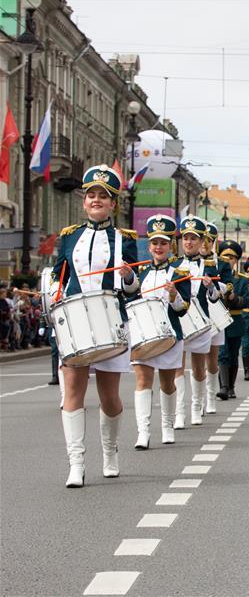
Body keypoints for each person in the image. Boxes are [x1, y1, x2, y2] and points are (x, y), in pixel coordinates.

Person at [53, 164, 141, 487]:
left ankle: (110, 450)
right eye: (91, 195)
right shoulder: (69, 237)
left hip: (109, 320)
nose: (96, 200)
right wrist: (51, 293)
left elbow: (134, 290)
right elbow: (58, 276)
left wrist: (129, 276)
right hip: (77, 323)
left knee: (109, 398)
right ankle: (76, 463)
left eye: (103, 196)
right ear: (84, 200)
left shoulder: (124, 240)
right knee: (73, 391)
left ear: (113, 204)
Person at [131, 215, 192, 448]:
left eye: (164, 243)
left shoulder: (179, 273)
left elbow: (183, 309)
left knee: (167, 383)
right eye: (155, 243)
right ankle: (143, 432)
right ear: (149, 246)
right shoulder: (141, 272)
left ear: (170, 246)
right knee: (142, 380)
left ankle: (167, 426)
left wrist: (175, 295)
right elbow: (130, 297)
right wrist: (127, 279)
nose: (159, 247)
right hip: (143, 335)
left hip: (169, 335)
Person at [172, 216, 220, 427]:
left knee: (199, 367)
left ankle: (196, 406)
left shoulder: (208, 266)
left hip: (200, 320)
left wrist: (210, 287)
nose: (189, 242)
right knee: (177, 367)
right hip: (179, 319)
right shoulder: (173, 265)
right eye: (186, 238)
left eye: (194, 239)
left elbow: (215, 298)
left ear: (202, 242)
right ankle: (180, 412)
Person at [199, 221, 233, 414]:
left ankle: (210, 396)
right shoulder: (186, 262)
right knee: (193, 360)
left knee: (212, 359)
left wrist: (213, 286)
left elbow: (229, 285)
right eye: (201, 239)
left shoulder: (221, 263)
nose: (204, 244)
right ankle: (197, 401)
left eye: (208, 240)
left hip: (214, 311)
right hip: (191, 312)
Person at [214, 240, 249, 400]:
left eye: (232, 257)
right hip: (219, 319)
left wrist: (235, 298)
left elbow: (246, 301)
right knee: (222, 353)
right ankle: (223, 387)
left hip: (235, 320)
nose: (228, 260)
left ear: (236, 260)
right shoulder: (215, 277)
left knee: (233, 354)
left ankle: (231, 387)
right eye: (225, 256)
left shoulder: (242, 279)